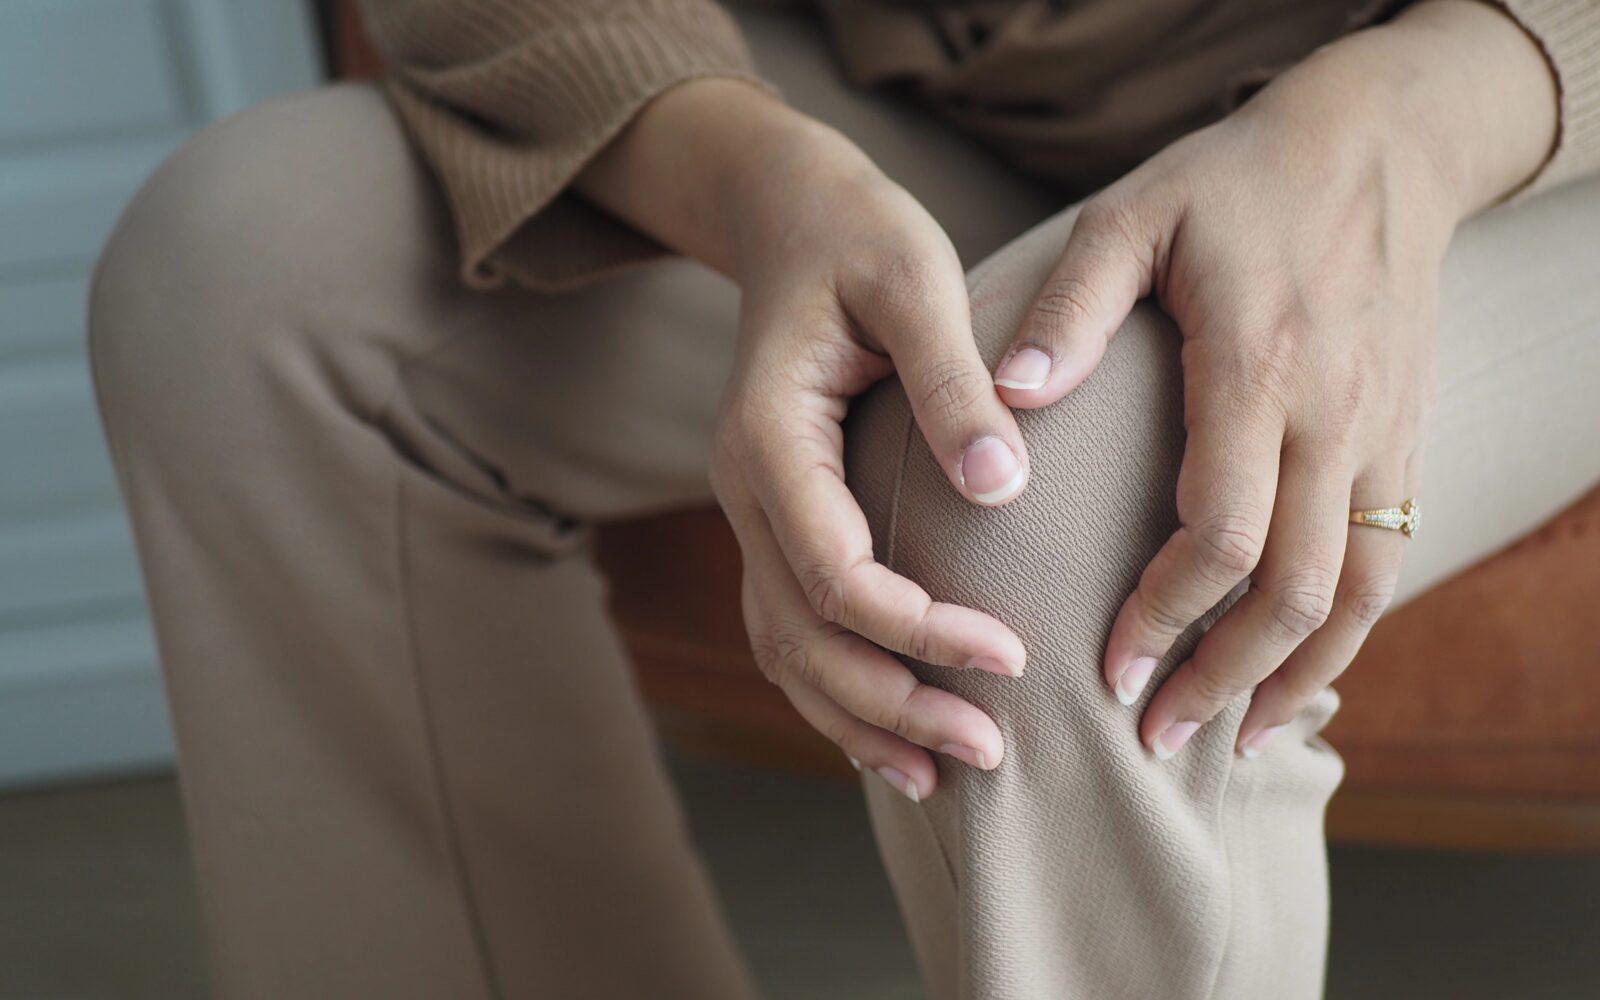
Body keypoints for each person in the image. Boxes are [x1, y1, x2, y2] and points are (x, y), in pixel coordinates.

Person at [89, 0, 1600, 997]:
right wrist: (745, 175)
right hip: (879, 85)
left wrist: (1424, 111)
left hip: (1494, 111)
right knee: (243, 269)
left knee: (1058, 519)